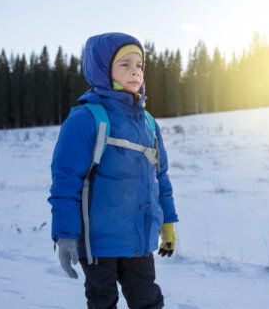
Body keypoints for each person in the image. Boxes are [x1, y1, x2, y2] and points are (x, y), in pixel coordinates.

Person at [48, 32, 178, 309]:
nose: (135, 71)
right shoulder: (86, 120)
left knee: (149, 301)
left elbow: (160, 177)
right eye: (125, 64)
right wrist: (66, 235)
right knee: (103, 303)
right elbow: (65, 183)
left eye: (139, 65)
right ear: (102, 70)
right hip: (98, 245)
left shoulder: (149, 124)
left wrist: (168, 222)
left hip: (139, 241)